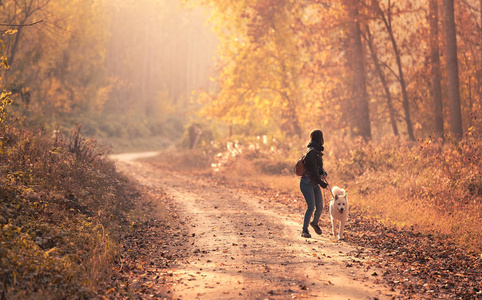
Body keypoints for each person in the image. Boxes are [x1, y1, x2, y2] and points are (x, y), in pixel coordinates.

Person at [300, 129, 328, 238]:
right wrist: (321, 183)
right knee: (311, 207)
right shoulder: (311, 151)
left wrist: (323, 173)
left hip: (314, 182)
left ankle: (314, 222)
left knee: (320, 206)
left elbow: (318, 169)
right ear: (319, 138)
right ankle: (304, 230)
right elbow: (313, 171)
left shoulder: (317, 151)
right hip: (307, 182)